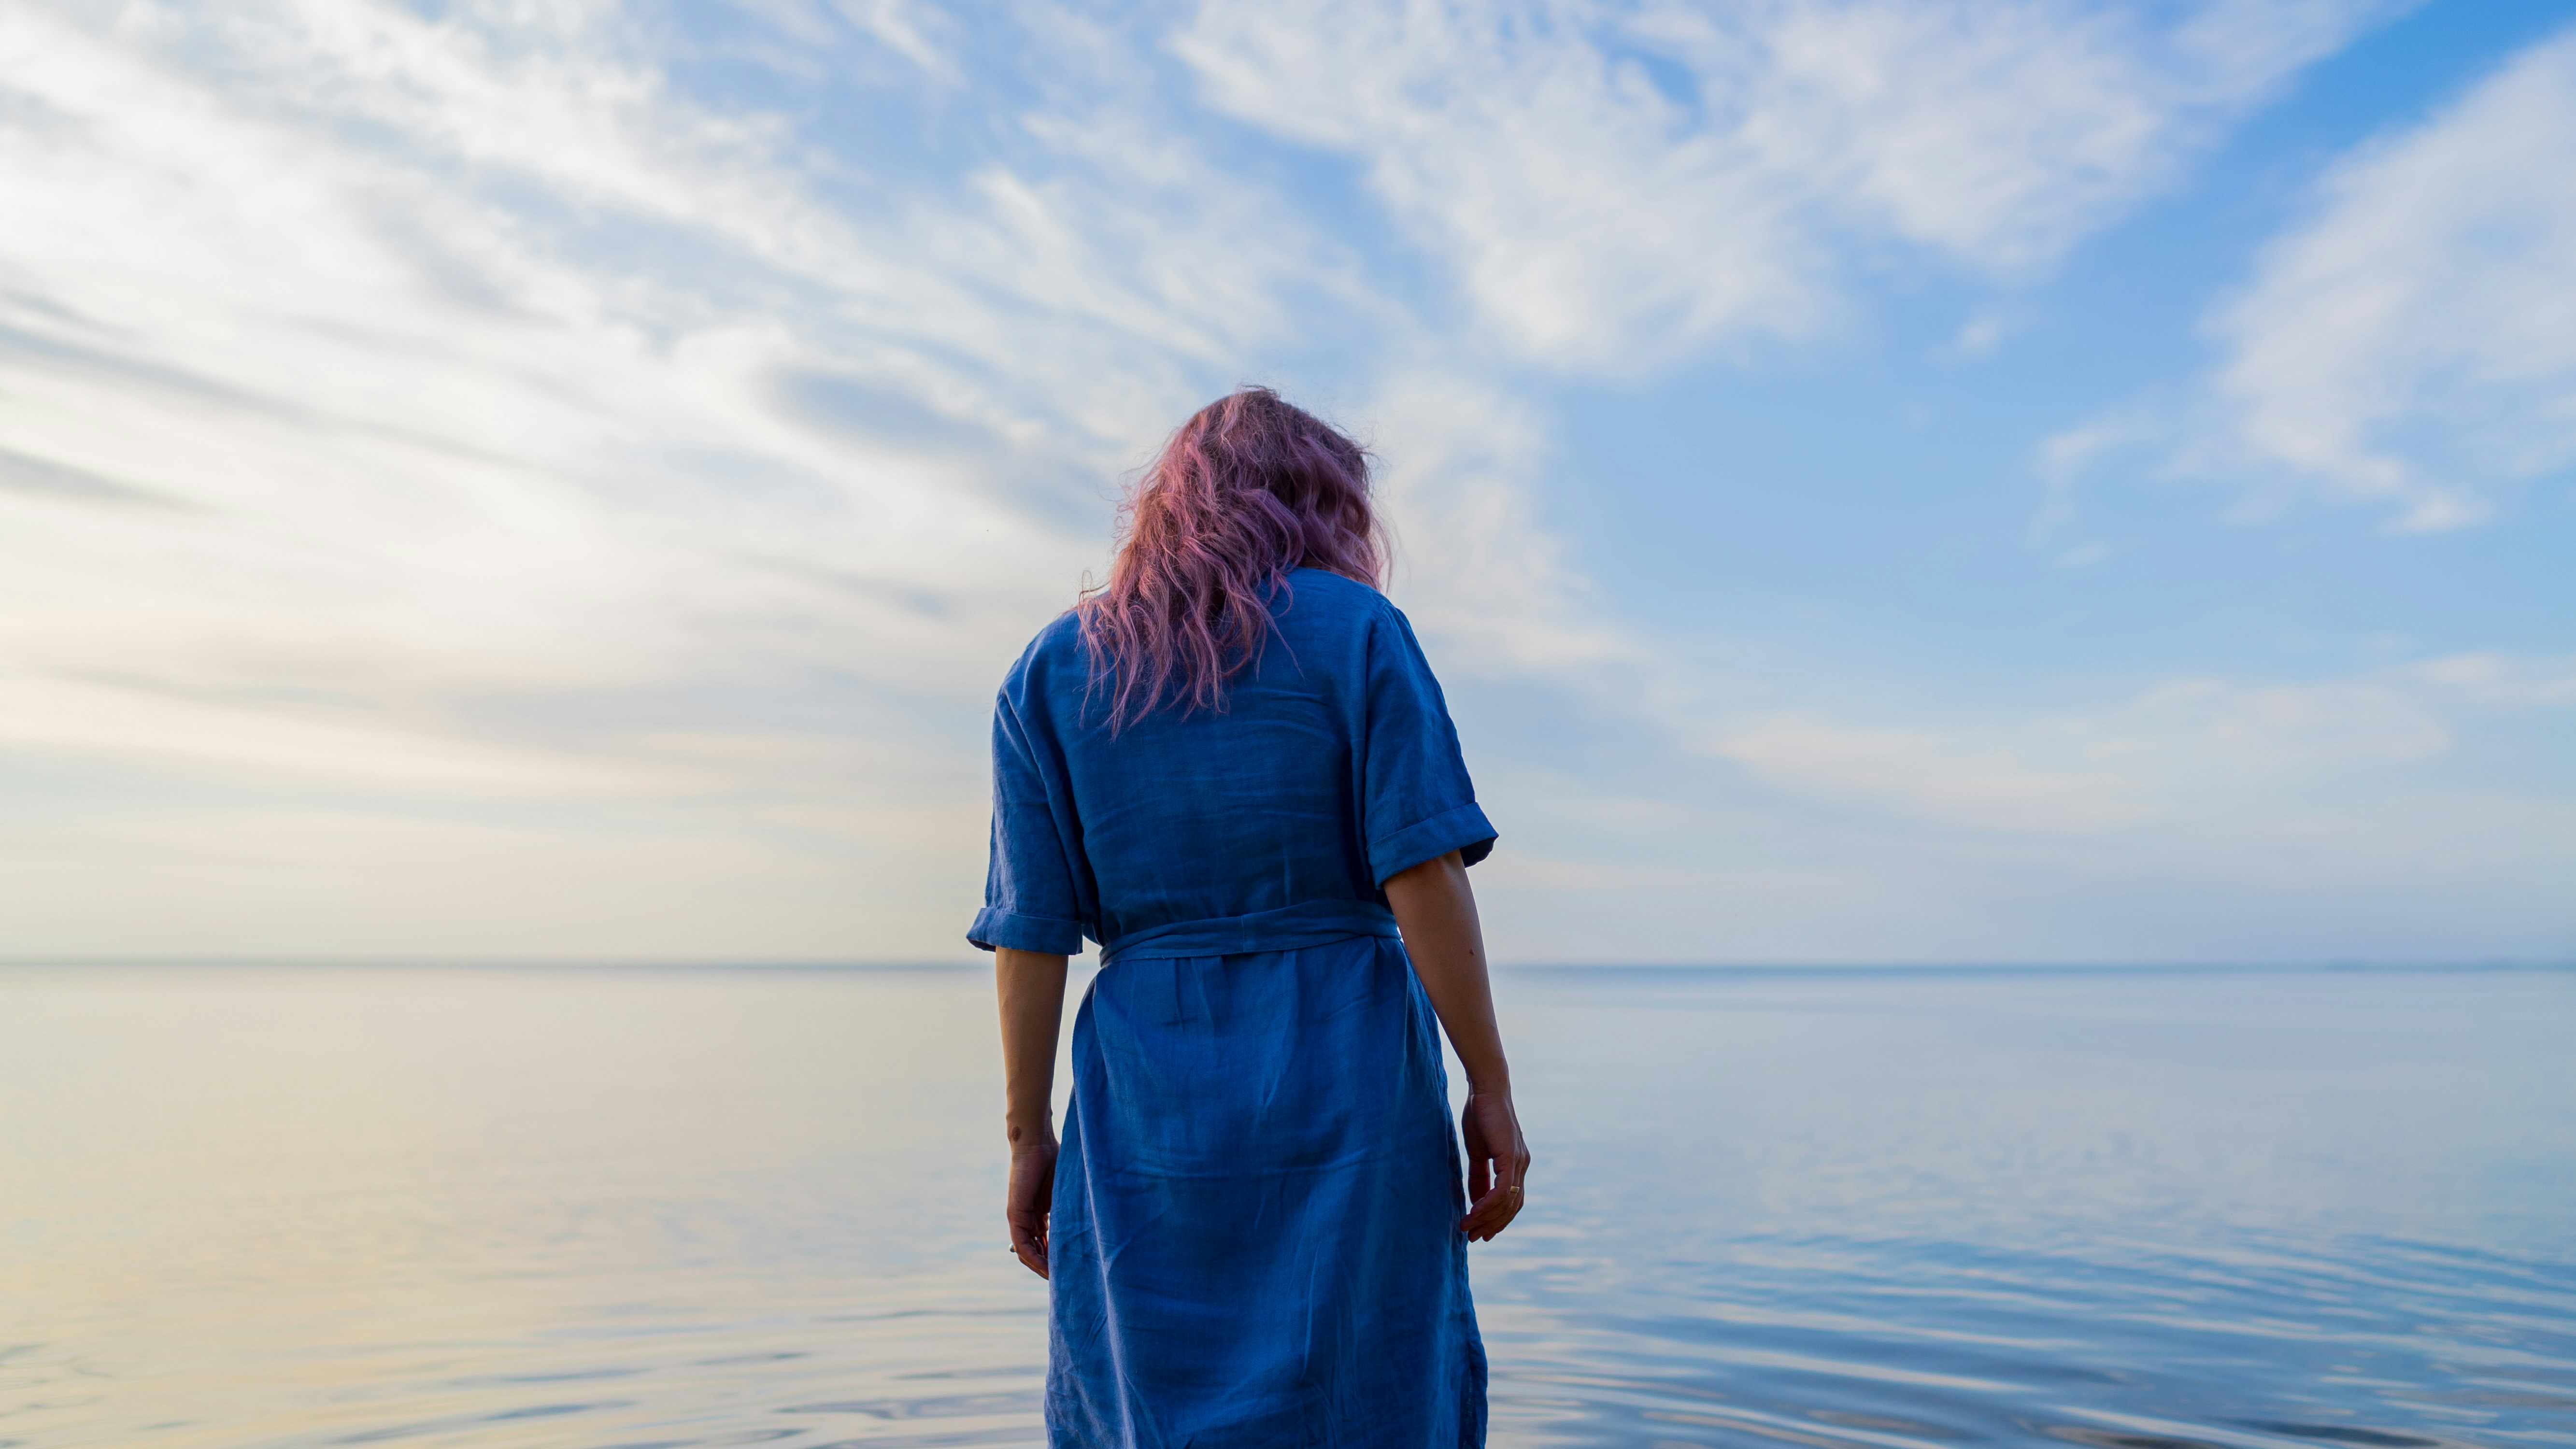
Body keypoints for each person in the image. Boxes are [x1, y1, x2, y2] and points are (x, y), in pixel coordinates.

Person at [971, 386, 1530, 1446]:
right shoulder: (1358, 631)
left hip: (1145, 1095)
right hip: (1347, 1064)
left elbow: (1031, 934)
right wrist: (1489, 1086)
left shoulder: (1050, 669)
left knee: (1150, 1385)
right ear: (1325, 504)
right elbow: (1425, 874)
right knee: (1370, 1376)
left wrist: (1027, 1138)